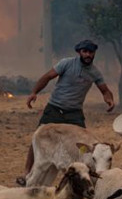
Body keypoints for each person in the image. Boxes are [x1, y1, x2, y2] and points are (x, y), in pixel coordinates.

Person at [16, 39, 115, 185]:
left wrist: (109, 100)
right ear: (79, 52)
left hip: (74, 113)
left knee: (84, 144)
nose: (88, 55)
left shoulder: (95, 72)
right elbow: (47, 77)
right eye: (85, 51)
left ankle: (81, 178)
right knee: (39, 137)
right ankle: (26, 173)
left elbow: (105, 90)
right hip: (55, 108)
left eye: (91, 52)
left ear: (94, 53)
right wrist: (34, 92)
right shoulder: (66, 63)